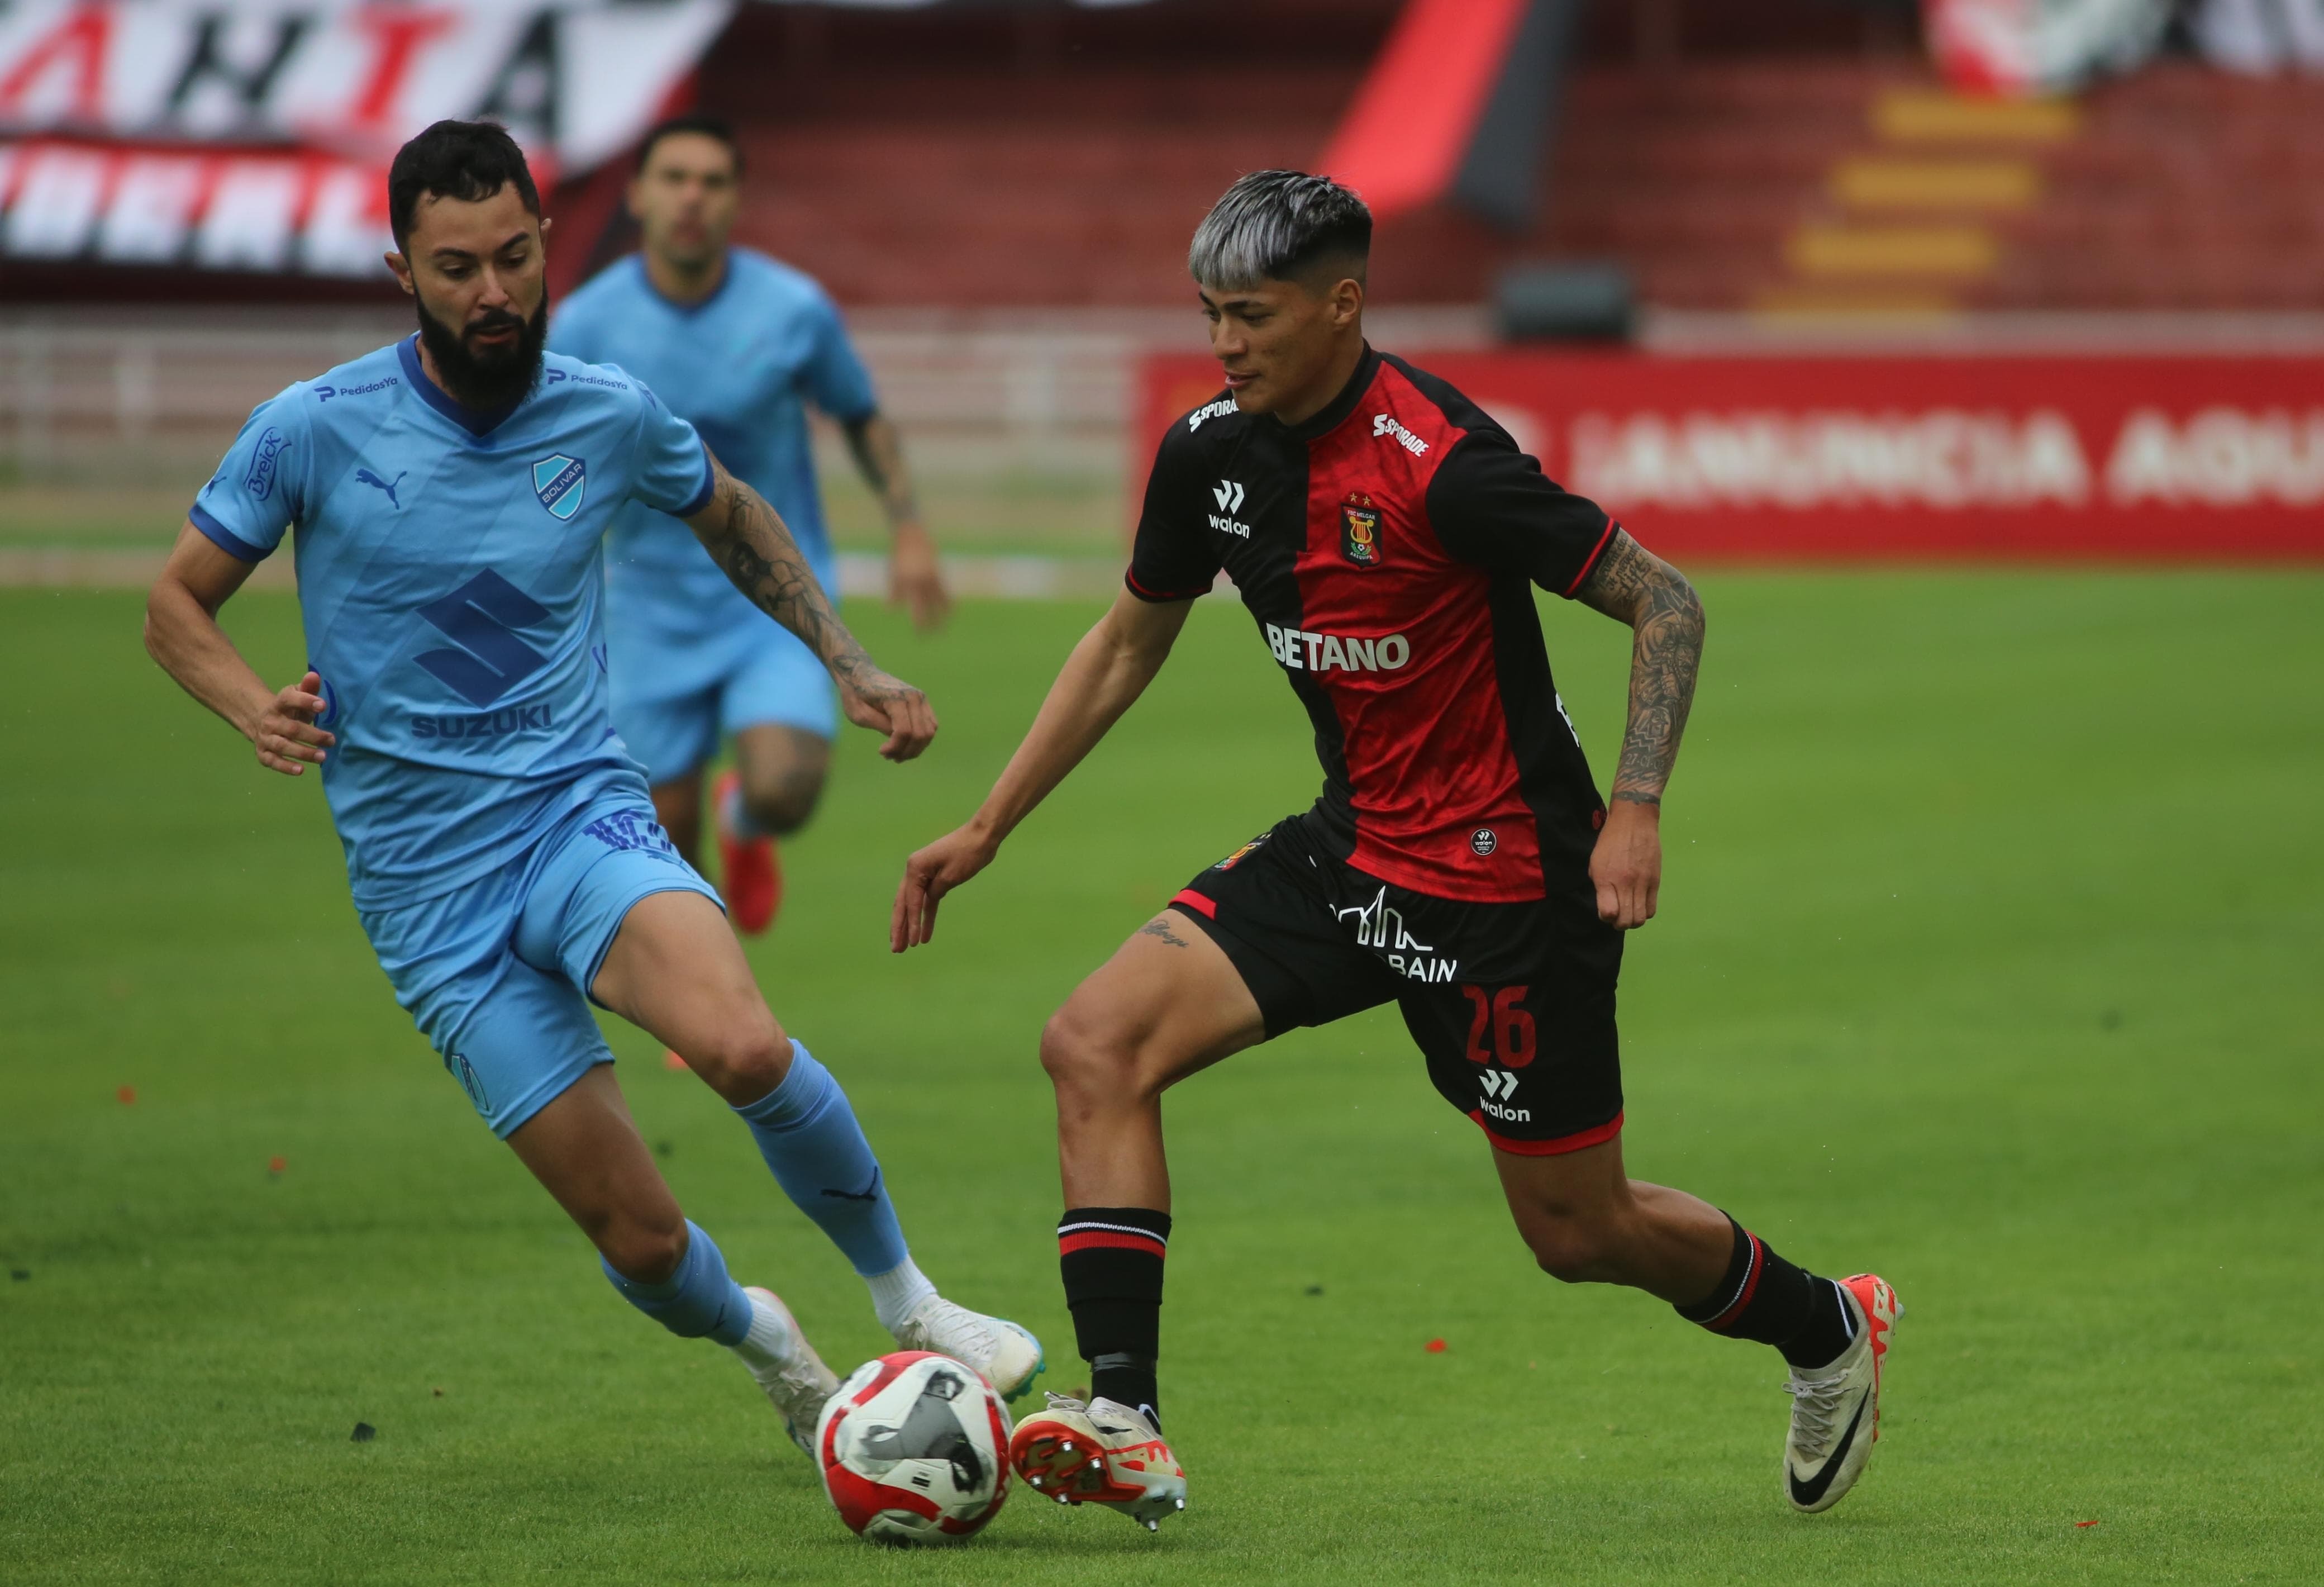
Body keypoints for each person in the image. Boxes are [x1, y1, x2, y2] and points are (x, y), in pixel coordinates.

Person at [892, 171, 1898, 1530]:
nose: (1225, 343)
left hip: (1510, 891)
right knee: (1094, 1043)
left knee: (1577, 1233)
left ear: (1343, 304)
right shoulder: (1209, 454)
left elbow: (1666, 603)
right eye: (1209, 315)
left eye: (1250, 315)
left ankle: (1825, 1322)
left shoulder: (1448, 465)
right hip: (1349, 854)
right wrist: (987, 824)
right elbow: (1130, 637)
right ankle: (1122, 1414)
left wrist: (1637, 803)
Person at [143, 121, 1039, 1458]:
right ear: (403, 269)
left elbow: (729, 507)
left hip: (576, 812)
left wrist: (845, 661)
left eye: (513, 257)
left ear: (548, 244)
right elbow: (176, 603)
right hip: (426, 893)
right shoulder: (313, 429)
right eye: (457, 268)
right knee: (641, 1234)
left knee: (741, 1043)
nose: (492, 292)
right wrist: (247, 702)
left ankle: (913, 1302)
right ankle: (767, 1341)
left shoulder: (604, 410)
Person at [551, 114, 947, 935]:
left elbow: (860, 414)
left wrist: (907, 526)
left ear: (736, 199)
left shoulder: (793, 309)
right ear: (638, 195)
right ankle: (701, 998)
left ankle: (749, 826)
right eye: (674, 178)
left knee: (785, 786)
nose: (692, 198)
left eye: (712, 181)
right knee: (663, 826)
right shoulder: (585, 326)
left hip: (770, 596)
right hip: (644, 605)